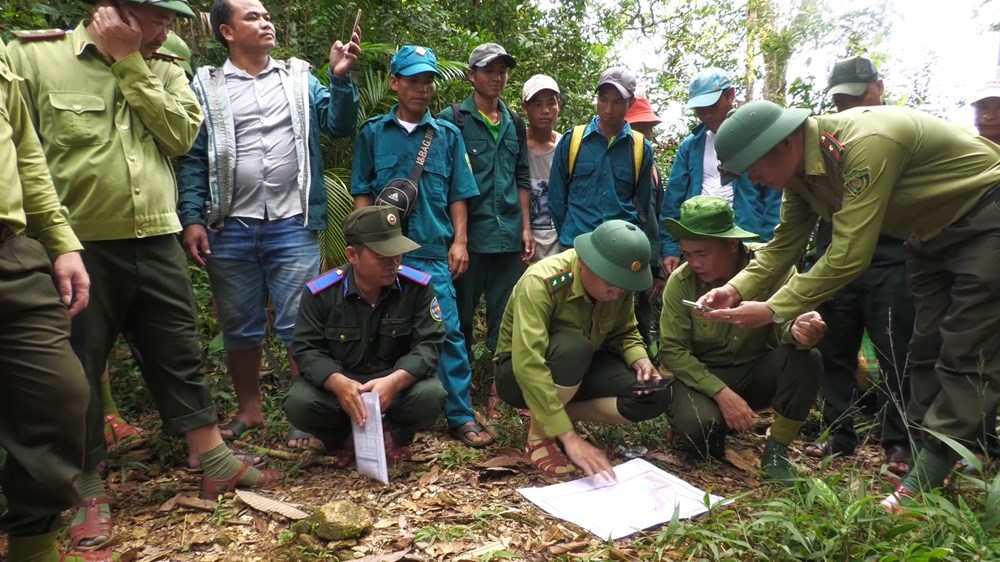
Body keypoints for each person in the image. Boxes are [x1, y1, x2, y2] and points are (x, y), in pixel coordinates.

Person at [8, 0, 281, 550]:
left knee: (177, 347)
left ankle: (214, 459)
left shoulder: (164, 69)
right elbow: (20, 155)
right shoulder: (35, 59)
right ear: (113, 10)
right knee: (78, 364)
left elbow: (182, 139)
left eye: (170, 21)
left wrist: (130, 63)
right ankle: (87, 487)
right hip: (77, 242)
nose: (166, 31)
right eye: (156, 19)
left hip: (155, 233)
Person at [701, 99, 1000, 512]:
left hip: (986, 215)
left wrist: (772, 310)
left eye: (755, 167)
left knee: (968, 349)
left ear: (785, 143)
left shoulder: (864, 143)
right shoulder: (800, 176)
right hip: (929, 238)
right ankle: (923, 453)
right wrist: (734, 289)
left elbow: (849, 254)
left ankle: (925, 478)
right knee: (925, 349)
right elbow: (784, 245)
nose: (755, 179)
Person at [177, 0, 361, 450]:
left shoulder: (299, 78)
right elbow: (194, 156)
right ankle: (249, 409)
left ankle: (303, 412)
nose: (266, 23)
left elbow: (338, 126)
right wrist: (192, 216)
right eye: (252, 18)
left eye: (267, 16)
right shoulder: (206, 84)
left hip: (293, 222)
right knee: (239, 324)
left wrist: (339, 79)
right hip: (229, 224)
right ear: (226, 32)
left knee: (301, 323)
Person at [351, 46, 493, 448]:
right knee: (377, 333)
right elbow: (362, 191)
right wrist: (365, 246)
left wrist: (460, 242)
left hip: (432, 252)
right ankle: (379, 414)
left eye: (428, 80)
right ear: (394, 83)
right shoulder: (373, 133)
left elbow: (457, 195)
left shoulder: (447, 135)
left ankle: (461, 416)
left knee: (447, 332)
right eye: (413, 80)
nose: (422, 88)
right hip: (382, 255)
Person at [0, 38, 99, 562]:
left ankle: (33, 544)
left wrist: (60, 240)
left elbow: (26, 155)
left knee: (57, 396)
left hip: (11, 249)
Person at [659, 196, 825, 480]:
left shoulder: (771, 268)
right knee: (699, 438)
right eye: (688, 254)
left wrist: (800, 330)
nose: (694, 263)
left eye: (703, 253)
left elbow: (789, 324)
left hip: (756, 371)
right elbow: (673, 351)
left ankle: (777, 448)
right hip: (705, 378)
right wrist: (721, 395)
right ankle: (707, 420)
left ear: (731, 244)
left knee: (807, 358)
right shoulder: (681, 283)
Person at [803, 56, 913, 476]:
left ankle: (899, 442)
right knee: (836, 348)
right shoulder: (830, 142)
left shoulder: (898, 135)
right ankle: (838, 431)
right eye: (841, 99)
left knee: (894, 350)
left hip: (890, 259)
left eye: (856, 95)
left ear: (878, 88)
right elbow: (820, 210)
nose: (849, 105)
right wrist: (817, 266)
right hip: (839, 261)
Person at [494, 220, 669, 478]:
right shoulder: (543, 281)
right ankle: (540, 436)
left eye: (624, 284)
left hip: (580, 369)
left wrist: (640, 359)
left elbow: (625, 332)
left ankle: (555, 414)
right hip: (520, 376)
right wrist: (570, 438)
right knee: (573, 348)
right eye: (611, 281)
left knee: (653, 395)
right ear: (585, 262)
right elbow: (527, 362)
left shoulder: (617, 288)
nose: (617, 291)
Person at [284, 206, 447, 465]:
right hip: (344, 387)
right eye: (383, 256)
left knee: (431, 394)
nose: (394, 262)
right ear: (352, 255)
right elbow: (306, 349)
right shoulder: (321, 293)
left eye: (397, 253)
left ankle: (394, 437)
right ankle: (341, 440)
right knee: (299, 401)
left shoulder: (417, 288)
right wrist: (337, 383)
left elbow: (429, 345)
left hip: (392, 383)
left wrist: (395, 381)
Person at [547, 67, 661, 346]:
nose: (608, 109)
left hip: (621, 252)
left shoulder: (639, 148)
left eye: (618, 102)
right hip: (575, 248)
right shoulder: (573, 141)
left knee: (618, 321)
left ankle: (620, 376)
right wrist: (572, 235)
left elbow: (647, 208)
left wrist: (653, 260)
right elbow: (556, 198)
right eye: (603, 99)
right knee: (569, 316)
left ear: (630, 104)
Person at [438, 43, 532, 373]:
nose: (497, 78)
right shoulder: (453, 120)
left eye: (502, 72)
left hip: (507, 235)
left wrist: (525, 227)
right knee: (460, 316)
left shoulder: (515, 123)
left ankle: (498, 387)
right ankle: (458, 389)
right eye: (490, 71)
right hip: (469, 238)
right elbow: (444, 182)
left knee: (504, 314)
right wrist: (456, 239)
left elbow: (521, 176)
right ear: (471, 75)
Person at [660, 68, 781, 277]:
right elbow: (673, 199)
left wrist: (770, 245)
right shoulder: (691, 147)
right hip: (700, 242)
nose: (706, 114)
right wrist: (671, 247)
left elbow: (773, 196)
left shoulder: (754, 140)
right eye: (700, 108)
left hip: (748, 240)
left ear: (731, 95)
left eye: (713, 105)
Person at [521, 74, 562, 262]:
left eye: (551, 103)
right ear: (525, 108)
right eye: (537, 104)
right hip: (523, 246)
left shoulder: (567, 146)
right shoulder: (515, 145)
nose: (545, 110)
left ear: (558, 106)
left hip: (558, 247)